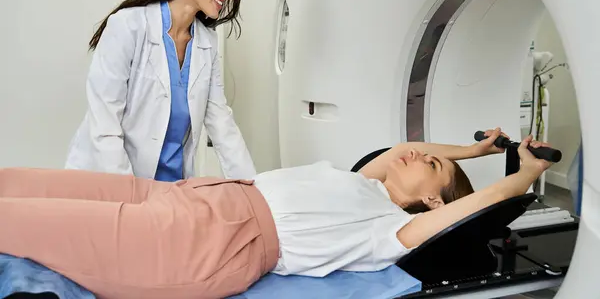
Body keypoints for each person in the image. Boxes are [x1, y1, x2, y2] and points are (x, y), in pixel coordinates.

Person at [0, 128, 554, 299]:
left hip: (205, 245)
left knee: (24, 222)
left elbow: (472, 206)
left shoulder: (391, 229)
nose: (415, 152)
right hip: (192, 195)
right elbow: (395, 155)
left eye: (429, 163)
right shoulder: (362, 184)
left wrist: (519, 178)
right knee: (26, 184)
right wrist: (472, 151)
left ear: (433, 201)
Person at [65, 0, 256, 181]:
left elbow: (222, 123)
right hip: (107, 181)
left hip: (169, 188)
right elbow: (105, 127)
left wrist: (253, 190)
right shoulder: (128, 26)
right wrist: (133, 196)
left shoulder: (206, 43)